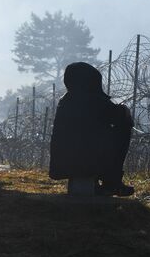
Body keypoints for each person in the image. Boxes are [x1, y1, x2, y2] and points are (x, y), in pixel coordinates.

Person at [49, 62, 134, 196]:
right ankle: (112, 181)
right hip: (87, 162)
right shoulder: (94, 100)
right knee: (123, 127)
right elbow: (121, 116)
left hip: (63, 163)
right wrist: (124, 111)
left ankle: (101, 182)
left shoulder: (66, 101)